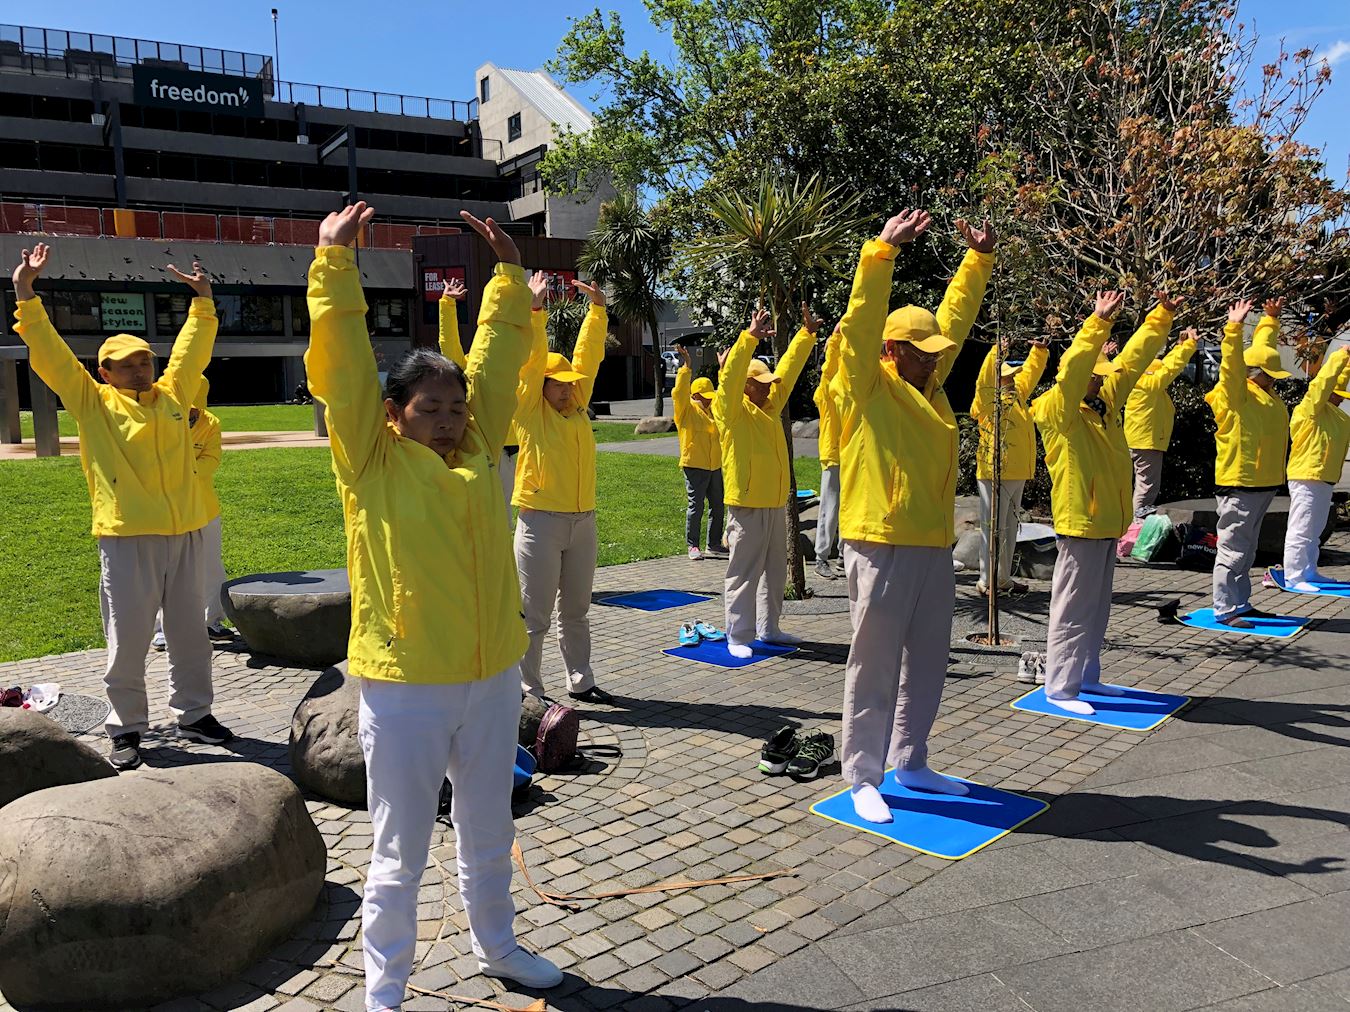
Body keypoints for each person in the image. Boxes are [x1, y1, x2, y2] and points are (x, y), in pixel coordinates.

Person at [306, 202, 563, 1008]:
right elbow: (344, 367)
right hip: (407, 687)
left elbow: (494, 359)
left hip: (491, 679)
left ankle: (499, 947)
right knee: (399, 850)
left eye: (455, 407)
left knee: (490, 832)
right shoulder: (369, 461)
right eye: (430, 407)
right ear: (393, 414)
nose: (449, 418)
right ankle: (385, 991)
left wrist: (510, 278)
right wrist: (333, 269)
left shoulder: (480, 446)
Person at [12, 243, 232, 771]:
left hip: (186, 533)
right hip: (127, 537)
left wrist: (202, 301)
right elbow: (51, 357)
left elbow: (190, 353)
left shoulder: (175, 395)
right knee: (128, 640)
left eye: (142, 362)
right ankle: (127, 727)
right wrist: (26, 295)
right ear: (104, 372)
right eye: (123, 366)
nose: (137, 370)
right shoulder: (92, 403)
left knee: (189, 634)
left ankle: (195, 715)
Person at [835, 209, 995, 823]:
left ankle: (912, 760)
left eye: (935, 354)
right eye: (920, 352)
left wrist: (976, 262)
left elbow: (954, 319)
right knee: (873, 664)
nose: (933, 359)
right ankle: (862, 775)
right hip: (879, 539)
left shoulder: (932, 382)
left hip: (932, 541)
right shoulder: (867, 382)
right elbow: (859, 324)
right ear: (891, 350)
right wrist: (881, 254)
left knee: (928, 660)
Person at [1032, 291, 1179, 715]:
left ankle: (1087, 676)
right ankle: (1060, 687)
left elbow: (1132, 362)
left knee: (1096, 607)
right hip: (1080, 522)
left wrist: (1161, 317)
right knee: (1072, 608)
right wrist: (1096, 324)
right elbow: (1075, 370)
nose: (1101, 379)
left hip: (1107, 522)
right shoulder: (1056, 408)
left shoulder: (1104, 406)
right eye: (1095, 375)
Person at [512, 276, 613, 703]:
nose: (569, 388)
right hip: (540, 523)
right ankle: (528, 689)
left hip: (582, 521)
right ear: (541, 387)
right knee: (534, 616)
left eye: (571, 384)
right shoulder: (531, 411)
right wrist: (536, 314)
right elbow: (533, 363)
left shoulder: (576, 407)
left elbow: (587, 359)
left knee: (576, 611)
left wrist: (598, 311)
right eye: (560, 384)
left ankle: (580, 680)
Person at [714, 303, 818, 658]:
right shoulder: (730, 412)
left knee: (775, 572)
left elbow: (787, 371)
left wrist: (806, 335)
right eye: (761, 385)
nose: (770, 389)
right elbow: (727, 384)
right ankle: (738, 635)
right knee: (743, 573)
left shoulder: (769, 407)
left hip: (774, 503)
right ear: (745, 386)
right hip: (746, 505)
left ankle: (769, 628)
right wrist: (749, 339)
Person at [1206, 298, 1291, 627]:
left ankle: (1240, 602)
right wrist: (1234, 328)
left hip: (1261, 482)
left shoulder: (1265, 393)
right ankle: (1225, 607)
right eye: (1270, 375)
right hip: (1240, 481)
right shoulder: (1236, 393)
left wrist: (1270, 319)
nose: (1275, 379)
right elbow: (1232, 365)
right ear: (1257, 375)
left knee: (1247, 548)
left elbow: (1262, 349)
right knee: (1233, 549)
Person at [969, 334, 1049, 596]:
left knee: (1010, 529)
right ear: (997, 379)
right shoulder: (987, 402)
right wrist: (996, 352)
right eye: (1008, 376)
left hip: (1015, 473)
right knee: (993, 529)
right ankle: (986, 581)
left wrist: (1039, 350)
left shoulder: (1018, 396)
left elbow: (1032, 373)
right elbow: (982, 381)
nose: (1014, 379)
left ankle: (1002, 579)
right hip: (995, 473)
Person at [152, 378, 229, 649]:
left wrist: (185, 473)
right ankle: (162, 629)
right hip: (168, 509)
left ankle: (211, 621)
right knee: (166, 570)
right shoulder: (159, 421)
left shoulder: (211, 424)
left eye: (194, 409)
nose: (190, 413)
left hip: (204, 508)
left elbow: (211, 459)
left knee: (211, 568)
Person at [438, 273, 521, 508]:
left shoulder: (512, 368)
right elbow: (449, 346)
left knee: (502, 515)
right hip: (481, 451)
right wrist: (447, 303)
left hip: (508, 452)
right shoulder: (468, 370)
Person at [1283, 346, 1350, 589]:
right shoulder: (1310, 407)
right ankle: (1294, 575)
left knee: (1314, 529)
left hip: (1323, 477)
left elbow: (1336, 379)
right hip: (1307, 475)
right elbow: (1322, 383)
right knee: (1301, 528)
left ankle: (1308, 571)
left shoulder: (1336, 415)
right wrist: (1340, 355)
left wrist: (1348, 361)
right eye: (1338, 392)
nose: (1342, 397)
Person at [1124, 329, 1199, 517]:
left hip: (1133, 438)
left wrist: (1179, 347)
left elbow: (1166, 366)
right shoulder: (1151, 385)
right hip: (1147, 441)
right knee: (1146, 487)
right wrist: (1188, 346)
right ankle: (1135, 526)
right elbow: (1169, 369)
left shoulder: (1137, 379)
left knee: (1129, 485)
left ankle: (1127, 523)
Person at [673, 343, 724, 560]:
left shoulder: (714, 410)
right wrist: (686, 368)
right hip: (694, 465)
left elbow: (725, 394)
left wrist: (723, 370)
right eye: (704, 396)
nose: (709, 399)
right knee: (696, 507)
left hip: (715, 465)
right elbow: (679, 393)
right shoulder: (686, 410)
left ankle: (714, 543)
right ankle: (692, 545)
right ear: (694, 395)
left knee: (718, 506)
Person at [813, 324, 844, 579]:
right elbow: (829, 367)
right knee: (830, 506)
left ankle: (845, 556)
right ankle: (821, 557)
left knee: (848, 507)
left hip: (853, 454)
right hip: (833, 454)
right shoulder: (826, 390)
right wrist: (834, 339)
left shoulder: (851, 388)